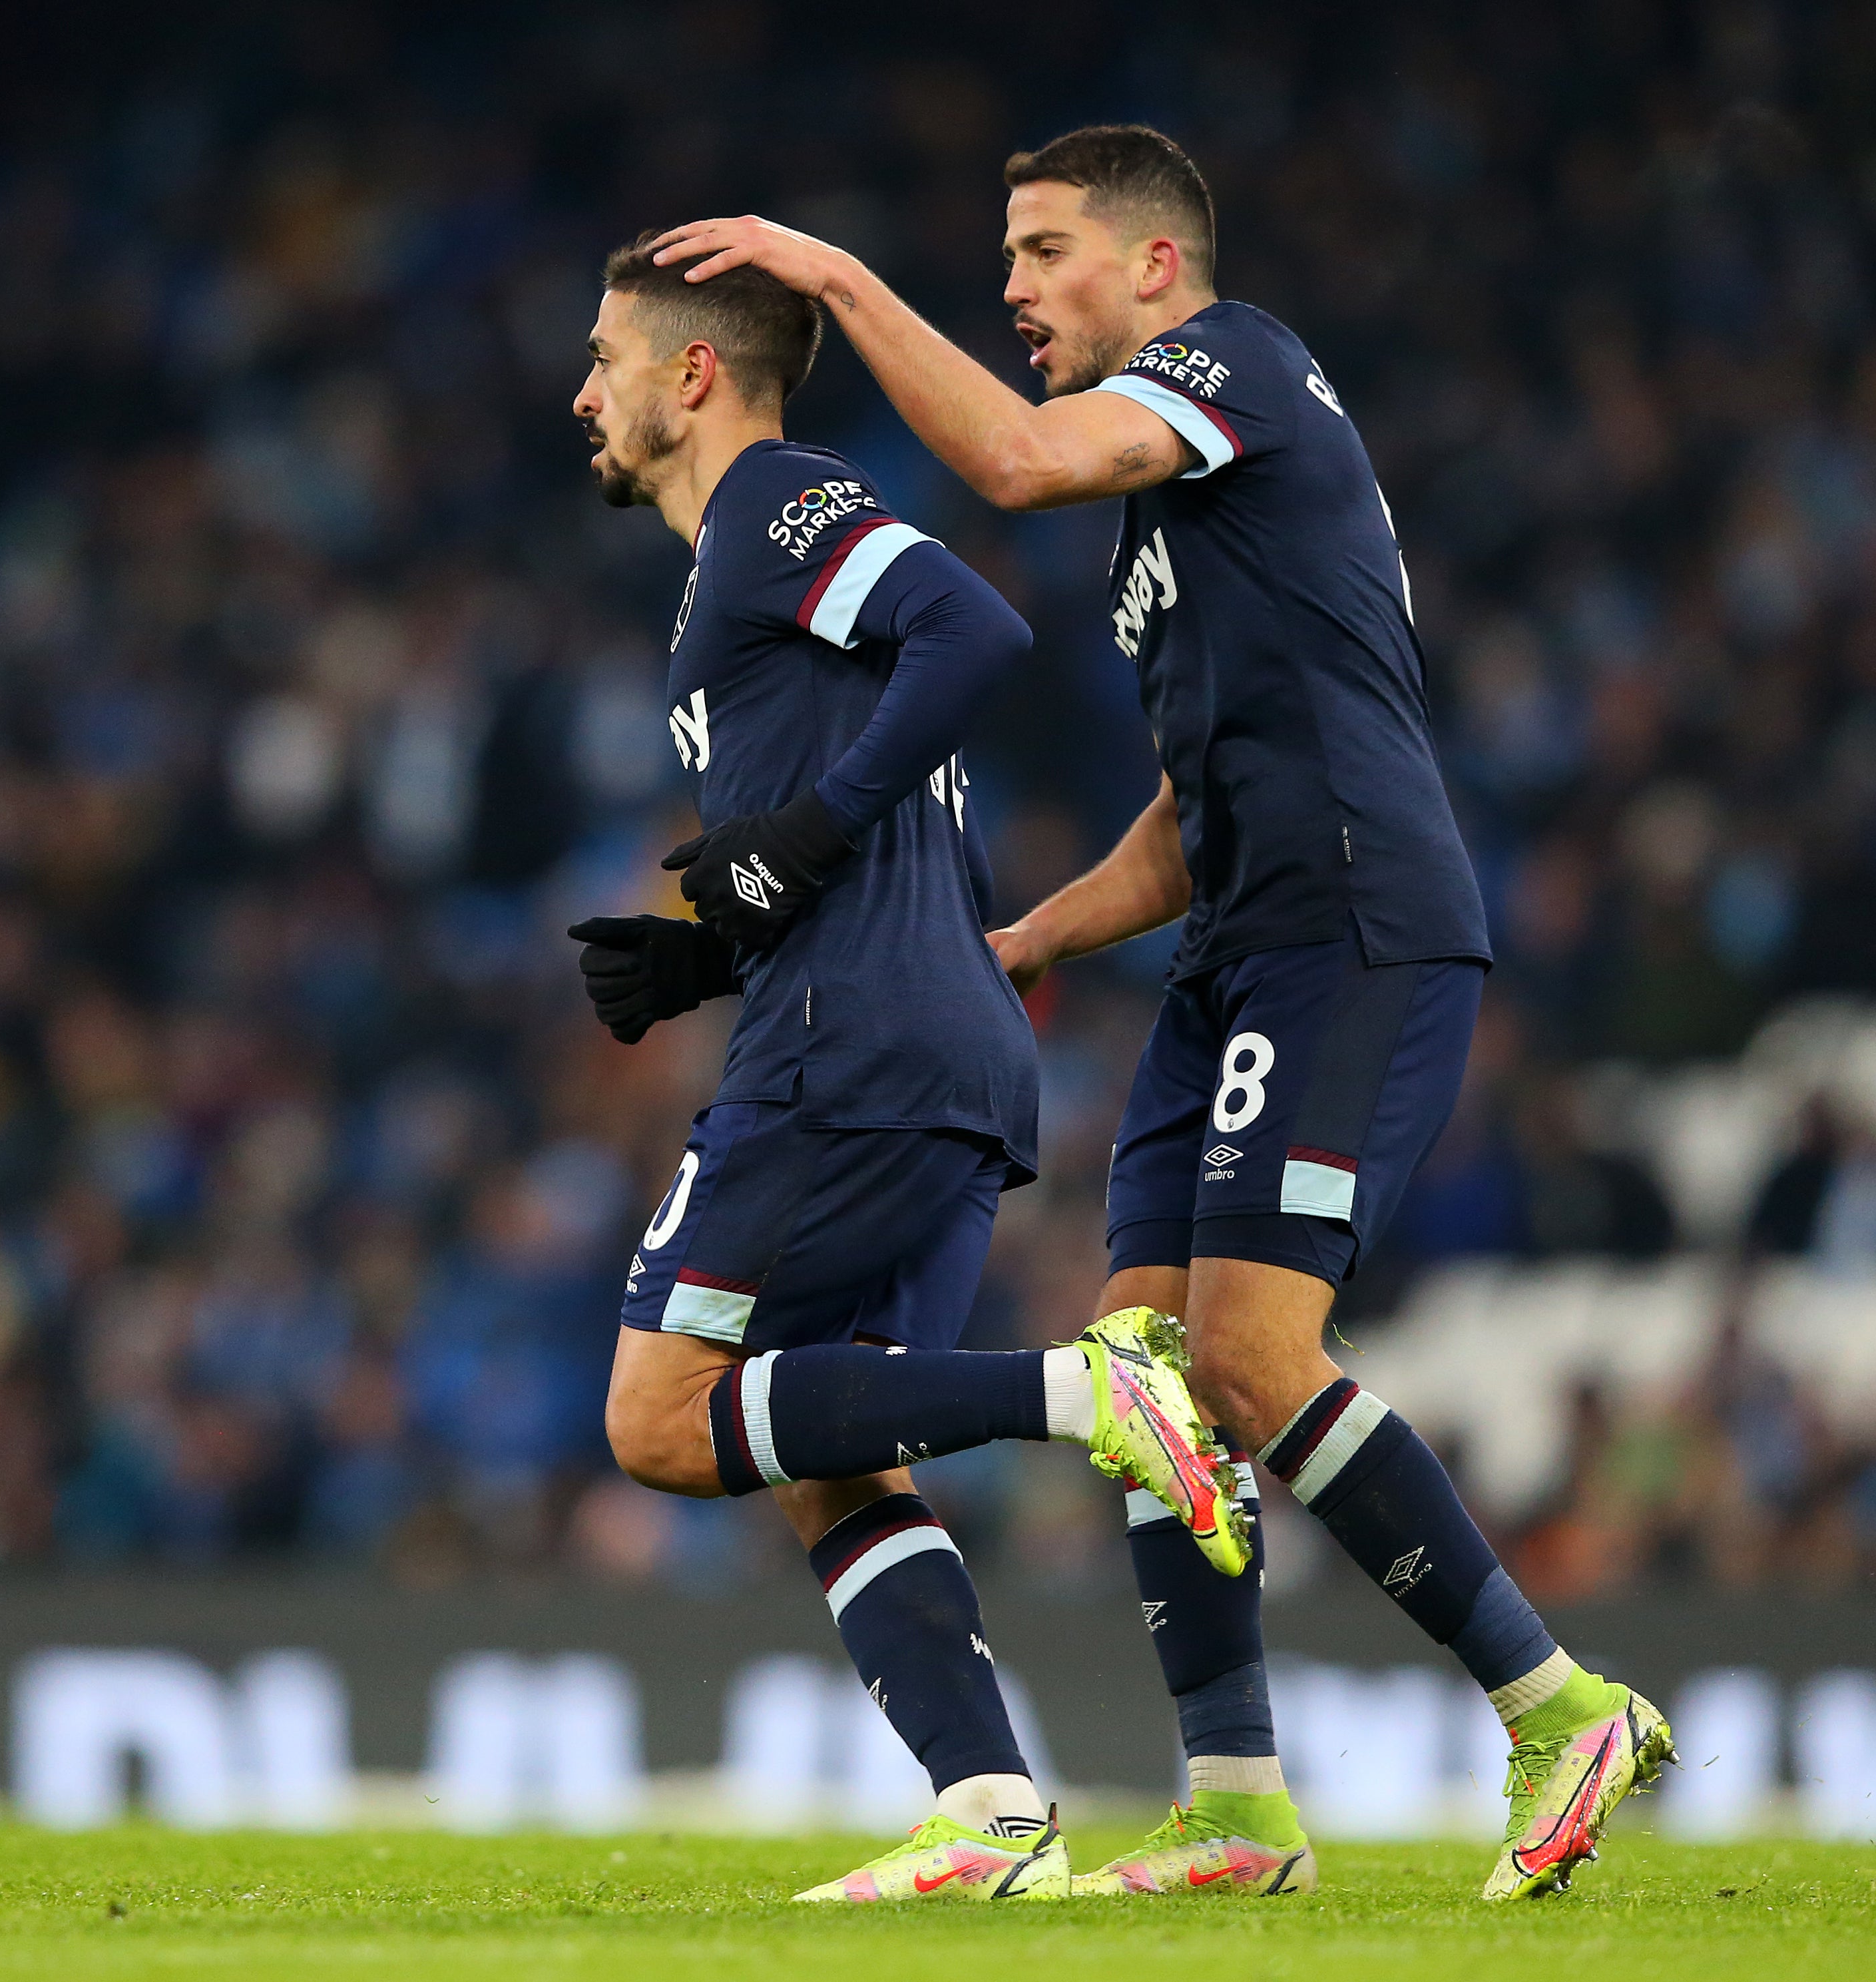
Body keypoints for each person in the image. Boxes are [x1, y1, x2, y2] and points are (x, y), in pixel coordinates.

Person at [652, 124, 1673, 1903]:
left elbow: (1010, 456)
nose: (1014, 284)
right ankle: (1235, 1799)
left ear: (1151, 267)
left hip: (1349, 928)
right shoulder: (1181, 514)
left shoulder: (1239, 364)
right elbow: (1193, 811)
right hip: (1239, 943)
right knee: (1141, 1352)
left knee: (1252, 1359)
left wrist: (827, 278)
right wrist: (1040, 929)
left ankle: (1551, 1700)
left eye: (1043, 251)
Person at [566, 231, 1240, 1903]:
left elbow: (973, 627)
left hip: (853, 1045)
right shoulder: (736, 566)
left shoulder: (773, 504)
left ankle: (1081, 1391)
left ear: (691, 375)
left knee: (659, 1424)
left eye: (604, 358)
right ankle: (991, 1804)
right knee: (828, 1452)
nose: (582, 392)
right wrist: (705, 947)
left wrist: (792, 840)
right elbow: (842, 799)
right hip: (923, 1035)